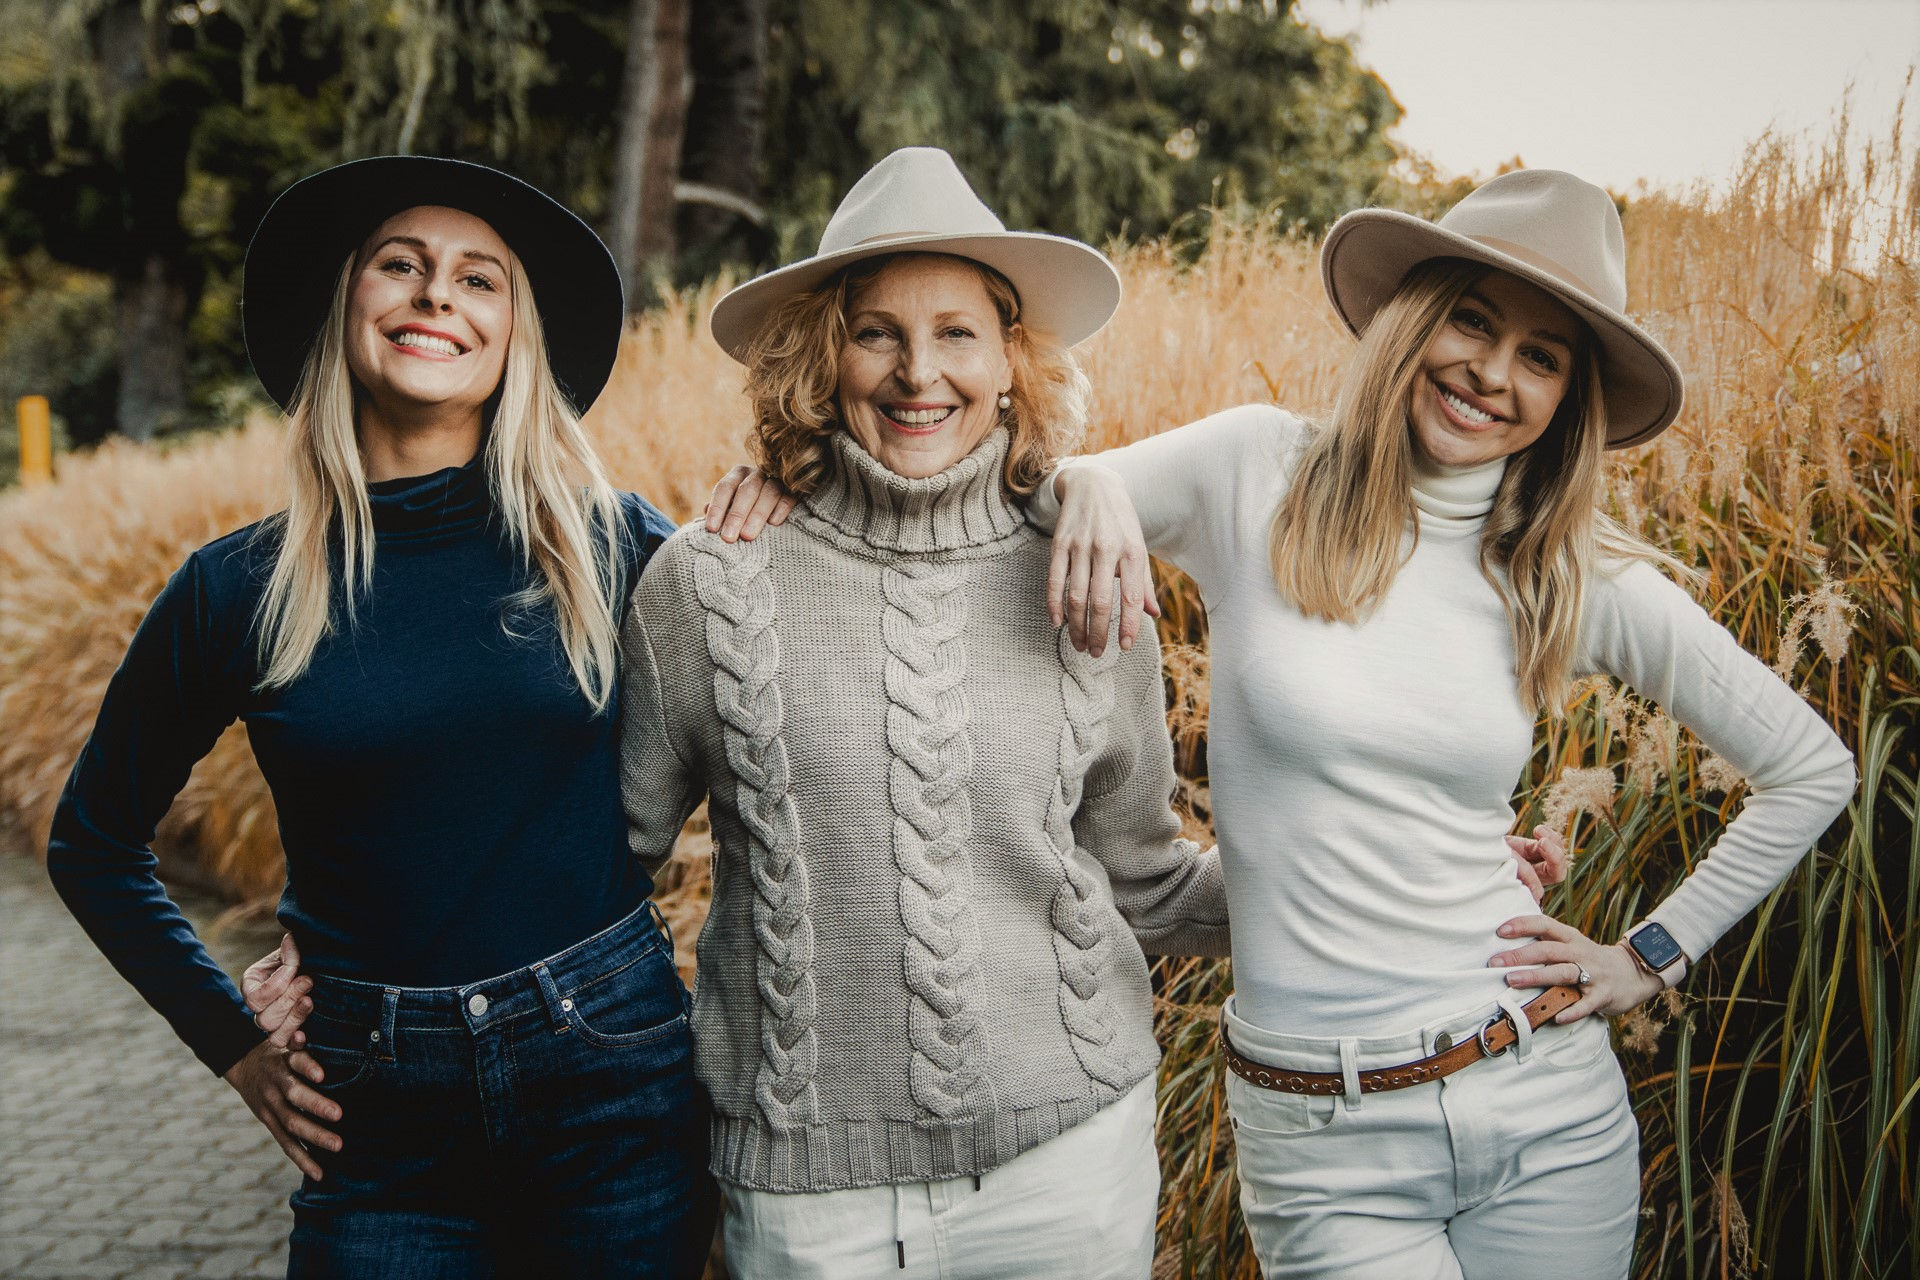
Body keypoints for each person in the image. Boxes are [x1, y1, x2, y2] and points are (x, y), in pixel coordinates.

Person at [1023, 169, 1857, 1277]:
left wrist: (1648, 952)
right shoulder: (1254, 470)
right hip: (1322, 1134)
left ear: (1570, 398)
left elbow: (1811, 764)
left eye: (1542, 356)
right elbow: (1026, 498)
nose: (1491, 373)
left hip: (1539, 1103)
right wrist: (1082, 481)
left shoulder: (1567, 574)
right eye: (1471, 319)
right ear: (1414, 319)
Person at [47, 156, 713, 1278]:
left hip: (611, 1074)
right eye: (399, 264)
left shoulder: (613, 544)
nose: (434, 293)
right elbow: (93, 841)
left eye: (478, 278)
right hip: (374, 1114)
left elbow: (792, 677)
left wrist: (1081, 496)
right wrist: (234, 1043)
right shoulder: (236, 589)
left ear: (516, 335)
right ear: (346, 304)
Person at [615, 145, 1235, 1279]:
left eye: (957, 331)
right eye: (876, 332)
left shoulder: (1091, 569)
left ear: (1010, 359)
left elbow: (1144, 879)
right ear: (824, 354)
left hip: (1070, 1163)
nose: (917, 373)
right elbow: (607, 868)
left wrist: (1409, 880)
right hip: (808, 1192)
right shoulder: (711, 580)